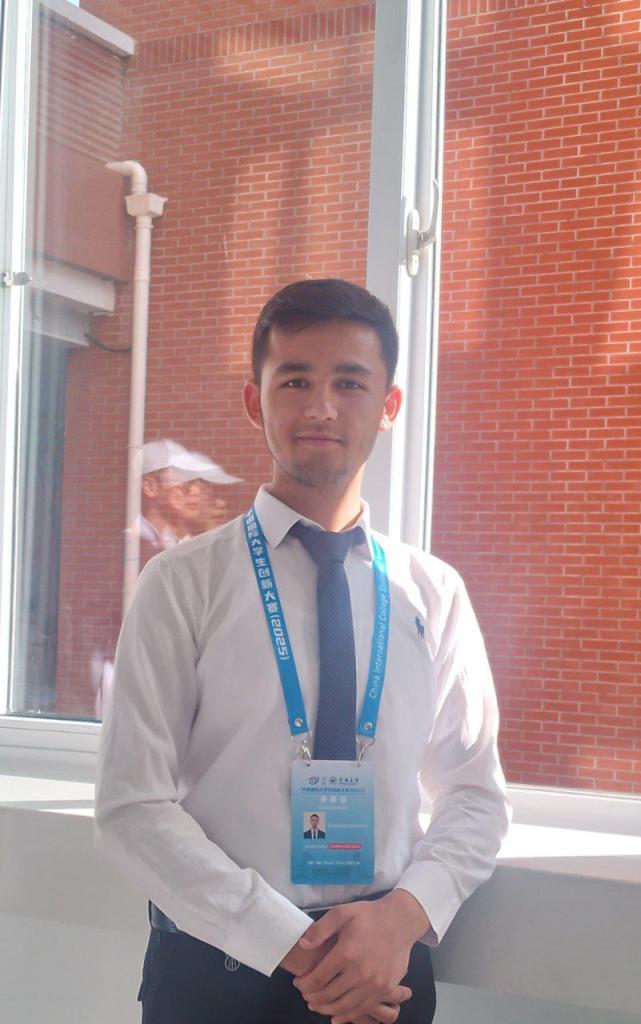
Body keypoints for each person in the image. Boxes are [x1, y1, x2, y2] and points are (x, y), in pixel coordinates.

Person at [95, 278, 510, 1024]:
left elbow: (474, 794)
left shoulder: (431, 591)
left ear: (388, 408)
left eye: (349, 383)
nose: (320, 407)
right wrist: (290, 942)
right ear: (255, 402)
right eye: (295, 380)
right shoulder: (181, 583)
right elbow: (131, 804)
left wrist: (405, 915)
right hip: (216, 969)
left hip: (386, 969)